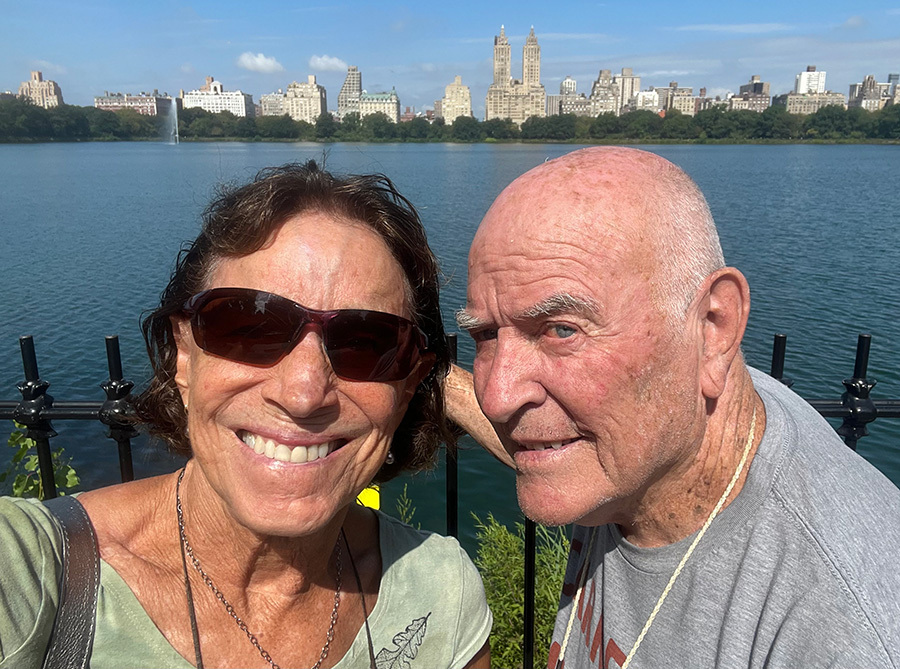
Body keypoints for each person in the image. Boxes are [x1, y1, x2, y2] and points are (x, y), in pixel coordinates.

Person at [0, 162, 491, 669]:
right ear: (183, 357)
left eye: (366, 343)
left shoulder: (441, 594)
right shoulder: (35, 575)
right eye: (248, 328)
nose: (303, 394)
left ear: (409, 386)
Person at [455, 147, 900, 668]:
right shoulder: (656, 436)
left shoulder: (840, 629)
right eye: (484, 334)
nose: (498, 396)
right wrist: (435, 379)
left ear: (715, 329)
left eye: (561, 330)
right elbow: (547, 453)